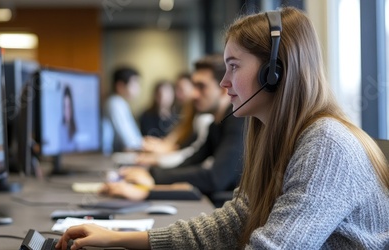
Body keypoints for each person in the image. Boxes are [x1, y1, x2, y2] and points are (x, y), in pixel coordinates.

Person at [56, 7, 389, 249]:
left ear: (274, 73)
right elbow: (232, 224)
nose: (224, 82)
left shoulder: (326, 143)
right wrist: (121, 240)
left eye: (233, 67)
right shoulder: (270, 136)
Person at [103, 54, 245, 201]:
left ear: (223, 89)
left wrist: (152, 179)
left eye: (201, 87)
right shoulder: (216, 124)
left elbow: (216, 177)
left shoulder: (238, 122)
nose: (194, 94)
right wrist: (151, 174)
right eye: (194, 86)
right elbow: (191, 161)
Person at [103, 67, 143, 152]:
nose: (138, 88)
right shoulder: (115, 103)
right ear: (120, 86)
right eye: (134, 84)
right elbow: (130, 143)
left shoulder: (121, 103)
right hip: (112, 156)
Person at [60, 85, 78, 151]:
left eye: (68, 107)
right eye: (64, 107)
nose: (66, 111)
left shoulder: (75, 128)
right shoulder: (61, 128)